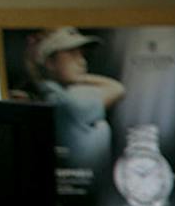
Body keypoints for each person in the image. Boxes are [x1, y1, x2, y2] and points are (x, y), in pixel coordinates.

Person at [22, 26, 122, 180]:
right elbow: (117, 89)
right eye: (72, 55)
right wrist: (81, 78)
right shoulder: (69, 100)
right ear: (50, 63)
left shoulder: (47, 92)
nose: (82, 62)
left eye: (82, 55)